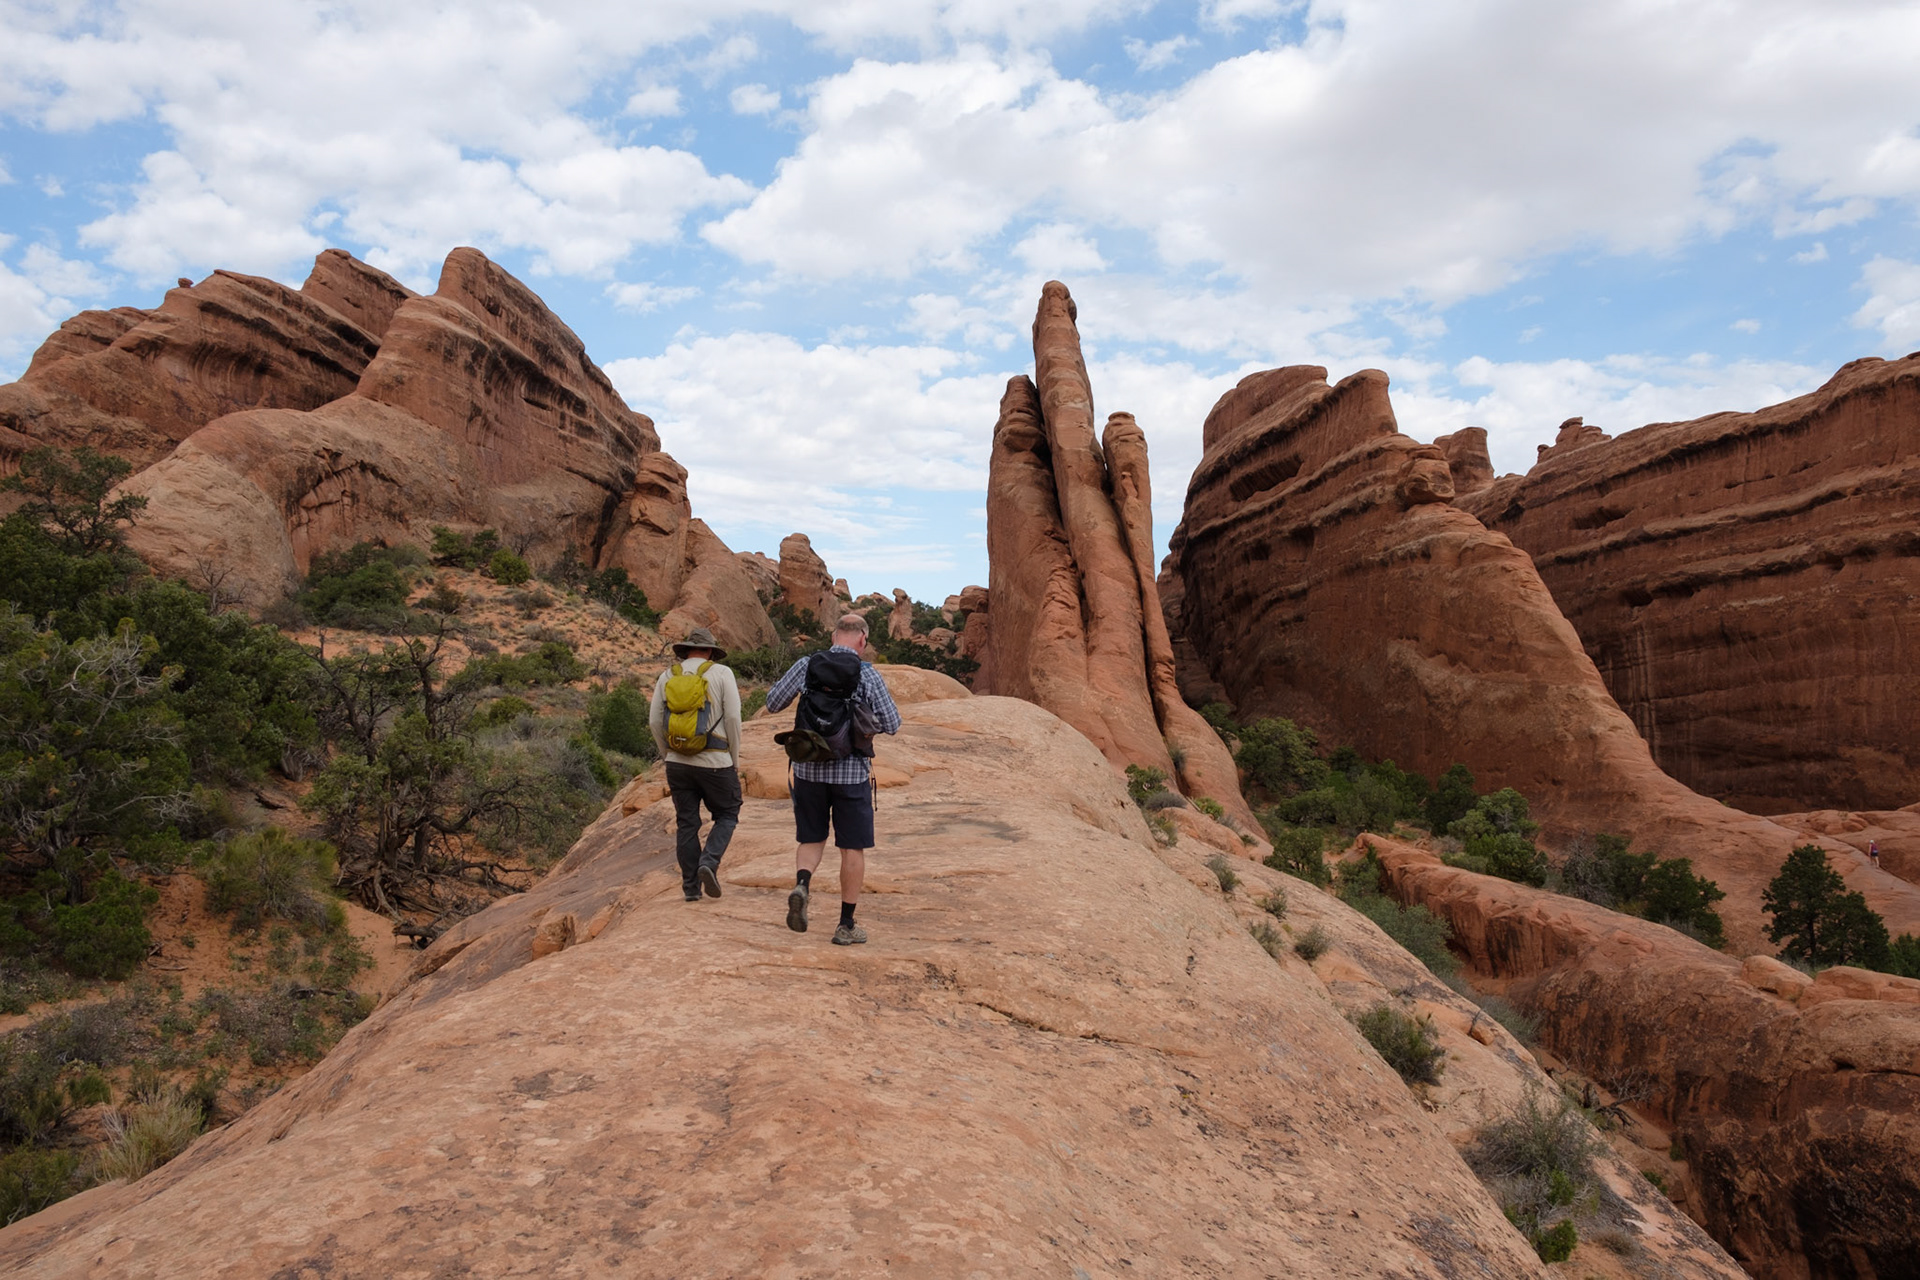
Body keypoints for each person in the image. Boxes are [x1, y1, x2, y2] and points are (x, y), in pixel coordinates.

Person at [764, 613, 902, 945]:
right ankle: (846, 925)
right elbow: (893, 723)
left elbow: (772, 703)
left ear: (833, 636)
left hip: (808, 770)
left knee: (811, 838)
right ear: (863, 639)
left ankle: (802, 885)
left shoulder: (806, 665)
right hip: (851, 774)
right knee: (851, 847)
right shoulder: (867, 674)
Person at [649, 628, 743, 903]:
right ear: (711, 651)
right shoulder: (722, 673)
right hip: (716, 761)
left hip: (677, 763)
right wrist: (734, 758)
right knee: (727, 813)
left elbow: (654, 721)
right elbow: (733, 718)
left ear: (686, 649)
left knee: (687, 823)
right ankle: (709, 862)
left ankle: (691, 888)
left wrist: (668, 754)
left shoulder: (667, 676)